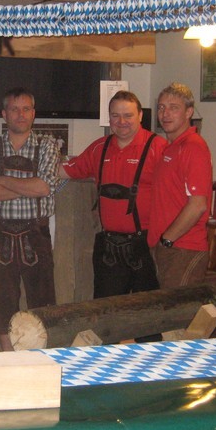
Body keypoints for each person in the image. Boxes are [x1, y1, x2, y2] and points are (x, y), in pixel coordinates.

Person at [0, 87, 60, 351]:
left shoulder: (47, 146)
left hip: (37, 232)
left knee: (43, 303)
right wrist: (28, 186)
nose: (20, 115)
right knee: (4, 301)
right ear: (4, 114)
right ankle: (7, 358)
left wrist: (1, 180)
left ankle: (40, 359)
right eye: (14, 109)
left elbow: (44, 187)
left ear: (33, 113)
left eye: (26, 109)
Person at [61, 91, 167, 298]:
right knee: (106, 310)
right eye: (115, 116)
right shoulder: (99, 148)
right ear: (109, 117)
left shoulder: (158, 148)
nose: (121, 122)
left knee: (147, 311)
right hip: (108, 248)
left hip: (147, 247)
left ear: (140, 116)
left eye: (128, 115)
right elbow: (65, 170)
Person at [149, 82, 213, 288]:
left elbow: (198, 205)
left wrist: (167, 240)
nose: (165, 113)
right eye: (161, 107)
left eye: (173, 107)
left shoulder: (193, 147)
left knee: (178, 309)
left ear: (189, 112)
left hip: (183, 249)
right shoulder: (170, 148)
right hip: (166, 247)